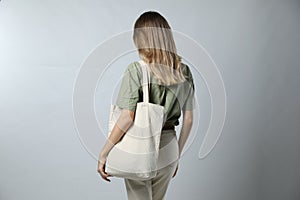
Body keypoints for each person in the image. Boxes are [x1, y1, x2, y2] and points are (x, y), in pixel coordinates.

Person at [97, 10, 195, 200]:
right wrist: (176, 156)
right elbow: (189, 120)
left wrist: (104, 152)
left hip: (140, 146)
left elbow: (127, 117)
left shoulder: (136, 70)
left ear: (140, 40)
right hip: (169, 148)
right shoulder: (185, 72)